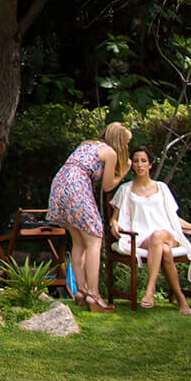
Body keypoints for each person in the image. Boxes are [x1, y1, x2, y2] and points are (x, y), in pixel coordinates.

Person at [109, 145, 191, 312]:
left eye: (144, 161)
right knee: (164, 251)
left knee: (159, 235)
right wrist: (114, 225)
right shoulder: (125, 190)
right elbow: (114, 219)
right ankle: (182, 300)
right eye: (137, 161)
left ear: (150, 164)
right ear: (132, 165)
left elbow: (174, 218)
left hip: (168, 235)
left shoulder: (162, 188)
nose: (140, 165)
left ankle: (150, 290)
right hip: (143, 238)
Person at [47, 121, 131, 312]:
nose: (126, 147)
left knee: (78, 242)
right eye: (126, 143)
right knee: (94, 239)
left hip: (60, 183)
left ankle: (81, 292)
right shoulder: (110, 152)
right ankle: (94, 295)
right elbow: (108, 186)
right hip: (77, 186)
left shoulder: (86, 144)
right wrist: (123, 173)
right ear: (119, 141)